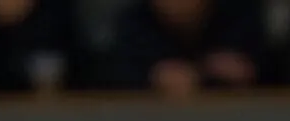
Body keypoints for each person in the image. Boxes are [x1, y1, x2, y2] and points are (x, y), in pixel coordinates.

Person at [107, 0, 262, 92]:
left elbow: (266, 66)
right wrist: (152, 77)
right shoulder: (133, 23)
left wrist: (248, 71)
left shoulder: (240, 16)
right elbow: (113, 76)